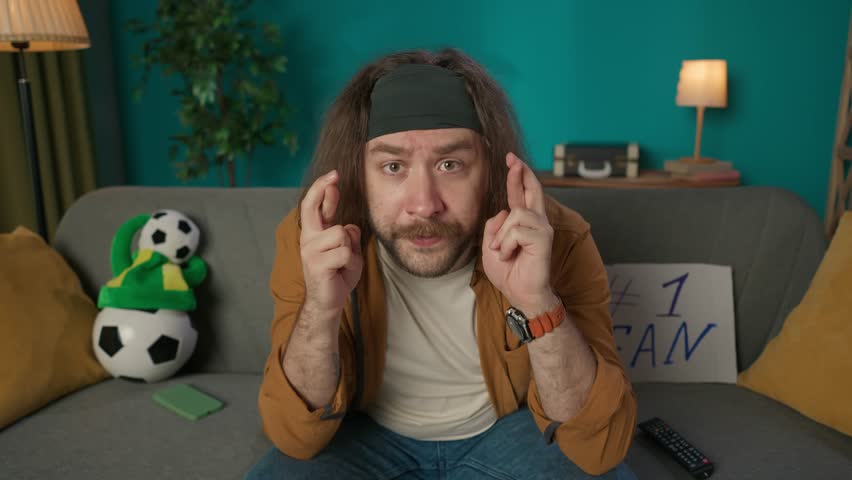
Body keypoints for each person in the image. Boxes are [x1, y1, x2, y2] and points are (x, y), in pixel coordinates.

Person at [247, 48, 638, 480]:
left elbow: (600, 448)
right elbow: (293, 437)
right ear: (358, 171)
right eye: (393, 166)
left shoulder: (556, 236)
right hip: (366, 435)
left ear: (489, 166)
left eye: (450, 164)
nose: (425, 204)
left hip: (510, 432)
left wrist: (536, 300)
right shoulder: (315, 237)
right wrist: (322, 309)